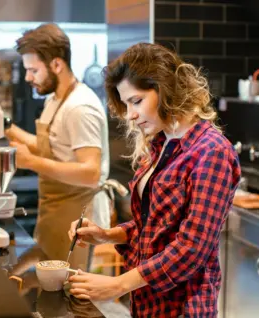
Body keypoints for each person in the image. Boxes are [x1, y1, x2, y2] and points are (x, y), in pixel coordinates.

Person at [67, 43, 241, 317]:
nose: (130, 115)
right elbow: (154, 225)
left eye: (136, 101)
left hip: (182, 306)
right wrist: (106, 235)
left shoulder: (211, 152)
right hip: (148, 302)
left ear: (165, 88)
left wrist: (118, 285)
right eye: (125, 105)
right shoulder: (161, 142)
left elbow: (191, 248)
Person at [5, 23, 125, 270]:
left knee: (69, 296)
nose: (28, 77)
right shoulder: (56, 99)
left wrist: (31, 162)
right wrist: (3, 124)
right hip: (57, 211)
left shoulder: (80, 107)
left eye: (33, 70)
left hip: (77, 216)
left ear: (57, 65)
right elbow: (49, 146)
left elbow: (90, 172)